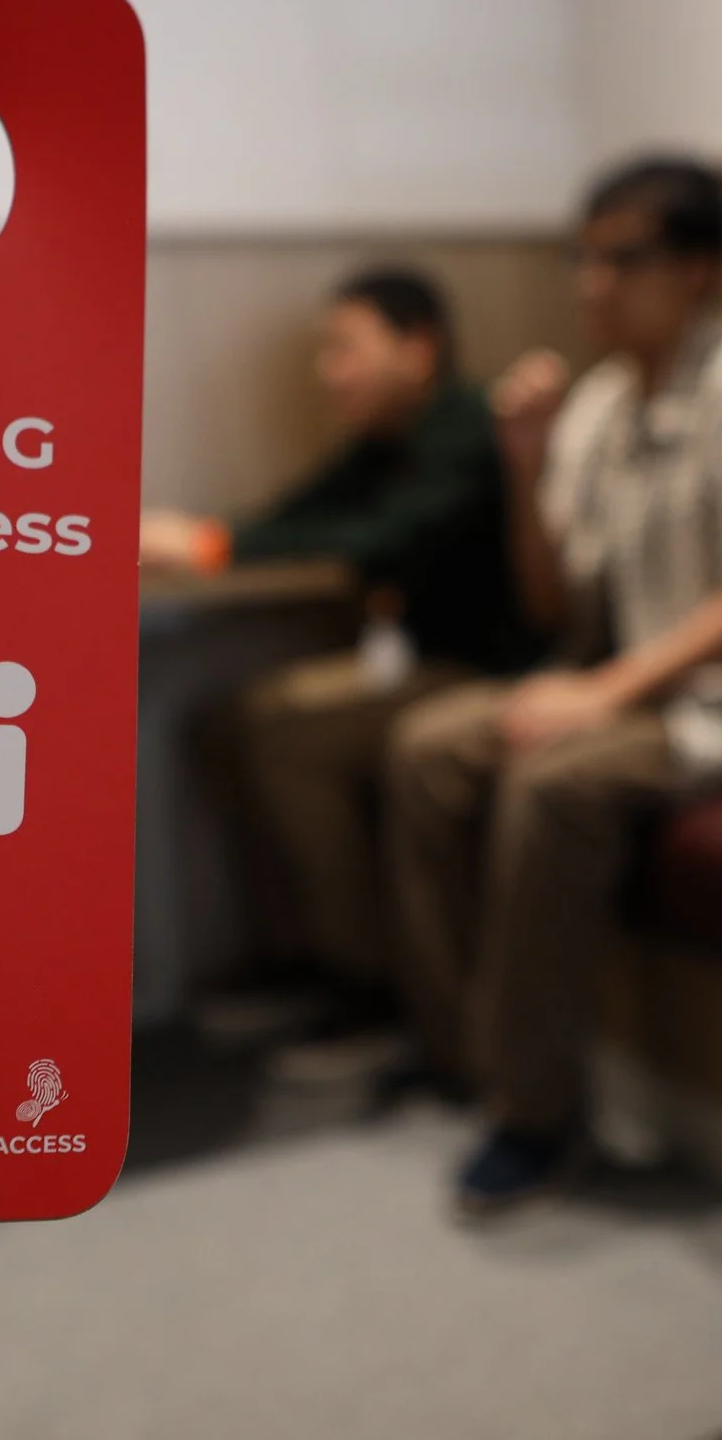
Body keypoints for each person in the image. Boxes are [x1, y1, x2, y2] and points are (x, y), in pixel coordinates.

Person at [385, 157, 722, 1214]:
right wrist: (525, 459)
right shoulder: (595, 403)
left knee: (553, 781)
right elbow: (551, 604)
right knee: (426, 745)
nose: (592, 284)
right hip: (641, 692)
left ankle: (538, 1116)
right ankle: (464, 1050)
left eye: (621, 259)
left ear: (700, 269)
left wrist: (602, 694)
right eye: (582, 259)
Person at [143, 267, 540, 1055]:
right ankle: (301, 952)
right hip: (413, 662)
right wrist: (207, 536)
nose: (331, 372)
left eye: (345, 349)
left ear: (418, 349)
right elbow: (299, 516)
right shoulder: (381, 445)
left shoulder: (467, 427)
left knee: (284, 738)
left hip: (481, 667)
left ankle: (363, 977)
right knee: (221, 723)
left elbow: (383, 540)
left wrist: (210, 546)